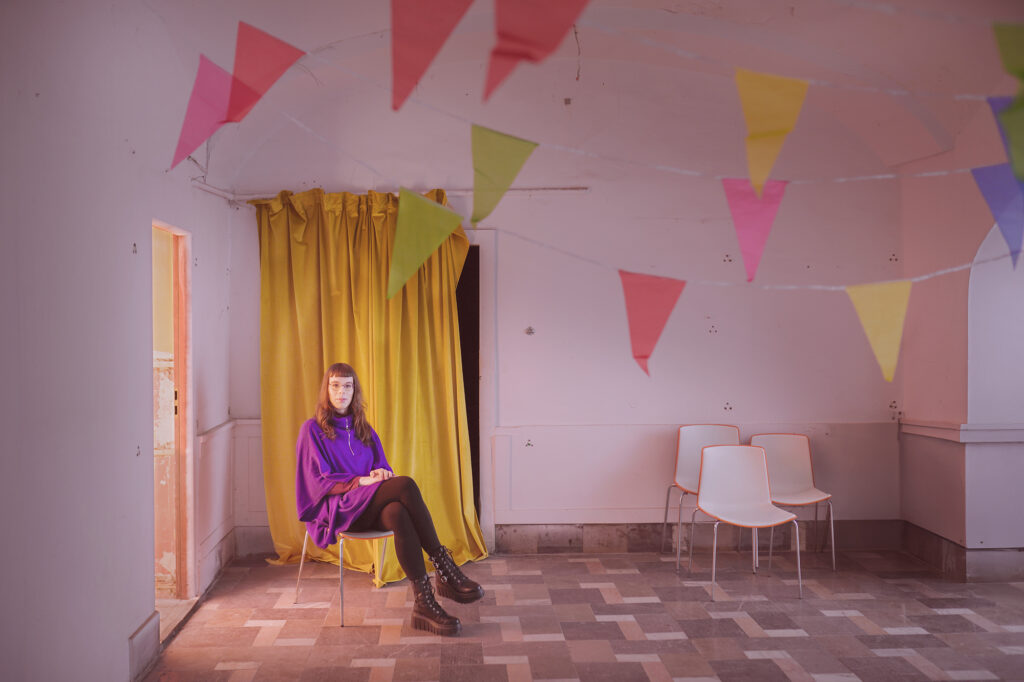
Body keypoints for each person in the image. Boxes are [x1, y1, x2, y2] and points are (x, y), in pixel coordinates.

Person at [295, 362, 483, 636]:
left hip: (368, 505)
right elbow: (314, 481)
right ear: (326, 390)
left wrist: (381, 473)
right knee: (405, 484)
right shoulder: (312, 429)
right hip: (341, 509)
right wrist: (360, 481)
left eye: (347, 386)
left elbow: (382, 467)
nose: (341, 392)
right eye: (335, 386)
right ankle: (445, 569)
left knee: (397, 513)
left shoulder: (364, 429)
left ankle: (424, 604)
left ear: (354, 391)